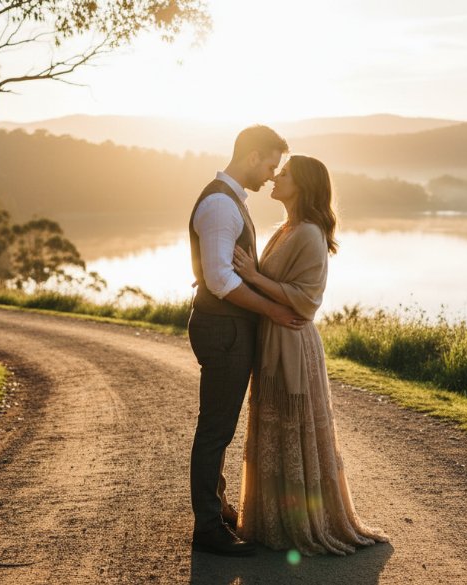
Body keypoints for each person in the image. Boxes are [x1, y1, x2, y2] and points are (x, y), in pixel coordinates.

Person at [232, 155, 388, 555]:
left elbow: (307, 300)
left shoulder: (309, 233)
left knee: (292, 426)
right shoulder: (286, 228)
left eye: (282, 174)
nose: (274, 178)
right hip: (274, 337)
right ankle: (271, 521)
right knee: (274, 428)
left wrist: (252, 276)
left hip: (293, 342)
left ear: (301, 184)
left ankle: (301, 524)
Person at [187, 125, 305, 557]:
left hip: (227, 327)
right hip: (225, 329)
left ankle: (213, 510)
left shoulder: (230, 199)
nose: (272, 175)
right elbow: (219, 278)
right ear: (253, 156)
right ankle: (207, 528)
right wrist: (274, 310)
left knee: (220, 426)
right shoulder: (221, 203)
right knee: (216, 429)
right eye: (271, 164)